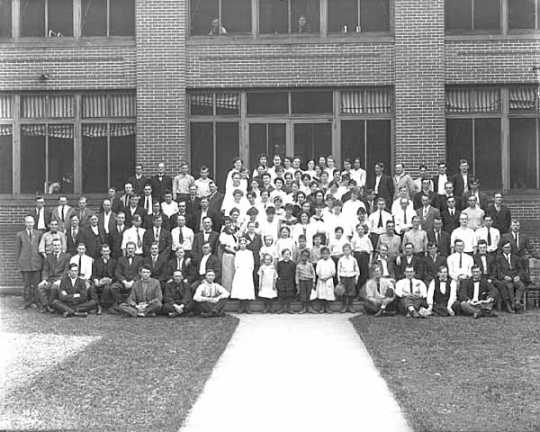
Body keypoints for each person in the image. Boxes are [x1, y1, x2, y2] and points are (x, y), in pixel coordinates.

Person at [16, 215, 43, 309]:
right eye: (27, 222)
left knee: (36, 284)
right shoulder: (20, 234)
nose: (29, 224)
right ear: (25, 223)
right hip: (25, 263)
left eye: (31, 222)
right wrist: (19, 263)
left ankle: (36, 301)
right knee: (26, 284)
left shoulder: (39, 233)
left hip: (36, 262)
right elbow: (18, 250)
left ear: (34, 223)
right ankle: (27, 302)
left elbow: (41, 248)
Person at [37, 238, 71, 313]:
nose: (56, 247)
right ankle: (46, 306)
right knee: (40, 286)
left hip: (61, 279)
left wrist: (60, 280)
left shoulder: (66, 256)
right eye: (55, 245)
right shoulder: (48, 257)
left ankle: (52, 306)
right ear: (52, 246)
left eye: (58, 245)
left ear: (61, 246)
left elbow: (66, 271)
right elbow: (45, 270)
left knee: (54, 287)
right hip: (50, 279)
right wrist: (44, 280)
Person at [495, 240, 528, 313]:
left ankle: (517, 302)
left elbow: (521, 269)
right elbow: (498, 271)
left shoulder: (515, 257)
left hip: (515, 277)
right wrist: (504, 277)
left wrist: (518, 276)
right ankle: (513, 304)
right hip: (506, 278)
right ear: (502, 248)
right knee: (509, 286)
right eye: (506, 247)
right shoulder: (498, 258)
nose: (507, 249)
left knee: (521, 286)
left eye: (509, 247)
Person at [111, 242, 144, 309]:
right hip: (123, 282)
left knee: (138, 288)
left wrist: (132, 282)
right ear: (126, 249)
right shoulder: (121, 259)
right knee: (114, 287)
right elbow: (117, 272)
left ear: (135, 249)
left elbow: (140, 273)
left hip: (135, 282)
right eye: (129, 248)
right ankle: (121, 303)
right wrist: (124, 281)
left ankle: (131, 304)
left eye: (132, 248)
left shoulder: (140, 259)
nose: (130, 250)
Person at [231, 237, 255, 313]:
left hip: (247, 272)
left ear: (246, 244)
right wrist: (238, 270)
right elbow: (235, 263)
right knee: (240, 288)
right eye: (241, 243)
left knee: (247, 288)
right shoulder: (237, 253)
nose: (242, 245)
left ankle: (247, 306)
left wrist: (250, 270)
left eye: (244, 243)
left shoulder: (249, 252)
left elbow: (252, 263)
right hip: (240, 272)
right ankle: (241, 306)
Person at [92, 244, 116, 314]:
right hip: (99, 280)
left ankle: (103, 306)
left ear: (110, 251)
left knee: (107, 288)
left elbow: (116, 274)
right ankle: (97, 305)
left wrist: (110, 280)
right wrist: (96, 280)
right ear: (101, 252)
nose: (105, 253)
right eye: (104, 251)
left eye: (107, 251)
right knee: (92, 288)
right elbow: (93, 274)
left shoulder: (114, 261)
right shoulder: (97, 261)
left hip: (109, 281)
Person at [338, 243, 359, 313]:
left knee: (351, 292)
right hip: (343, 277)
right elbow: (338, 270)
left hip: (351, 277)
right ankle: (344, 306)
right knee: (344, 292)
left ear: (350, 251)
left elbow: (357, 269)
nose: (346, 252)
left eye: (348, 250)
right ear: (343, 251)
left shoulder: (353, 259)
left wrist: (356, 278)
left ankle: (350, 305)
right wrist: (339, 279)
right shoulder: (341, 260)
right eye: (345, 250)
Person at [315, 247, 336, 313]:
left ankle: (328, 307)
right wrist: (321, 277)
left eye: (327, 254)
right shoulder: (319, 262)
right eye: (323, 254)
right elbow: (317, 271)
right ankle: (322, 307)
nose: (325, 255)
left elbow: (333, 272)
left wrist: (327, 278)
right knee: (322, 293)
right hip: (321, 280)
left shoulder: (331, 262)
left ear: (329, 254)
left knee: (328, 293)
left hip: (328, 280)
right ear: (321, 254)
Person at [295, 249, 315, 314]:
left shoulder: (310, 265)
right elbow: (297, 275)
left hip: (309, 281)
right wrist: (297, 283)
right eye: (303, 256)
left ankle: (309, 307)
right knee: (303, 295)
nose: (304, 257)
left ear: (308, 257)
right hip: (302, 281)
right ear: (301, 256)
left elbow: (313, 273)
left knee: (309, 294)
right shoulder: (298, 265)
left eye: (306, 256)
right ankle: (303, 308)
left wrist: (314, 281)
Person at [276, 249, 296, 314]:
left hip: (290, 281)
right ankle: (281, 308)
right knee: (282, 295)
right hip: (282, 281)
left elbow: (294, 273)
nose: (286, 256)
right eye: (285, 254)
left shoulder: (292, 264)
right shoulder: (280, 263)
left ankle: (289, 308)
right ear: (282, 255)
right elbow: (278, 272)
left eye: (288, 254)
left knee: (289, 296)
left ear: (290, 255)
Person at [219, 221, 237, 291]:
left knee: (233, 273)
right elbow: (224, 247)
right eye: (229, 228)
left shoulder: (233, 236)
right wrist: (234, 252)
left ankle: (233, 291)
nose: (231, 230)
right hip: (227, 255)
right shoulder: (223, 235)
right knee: (227, 274)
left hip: (234, 256)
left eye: (232, 229)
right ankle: (227, 290)